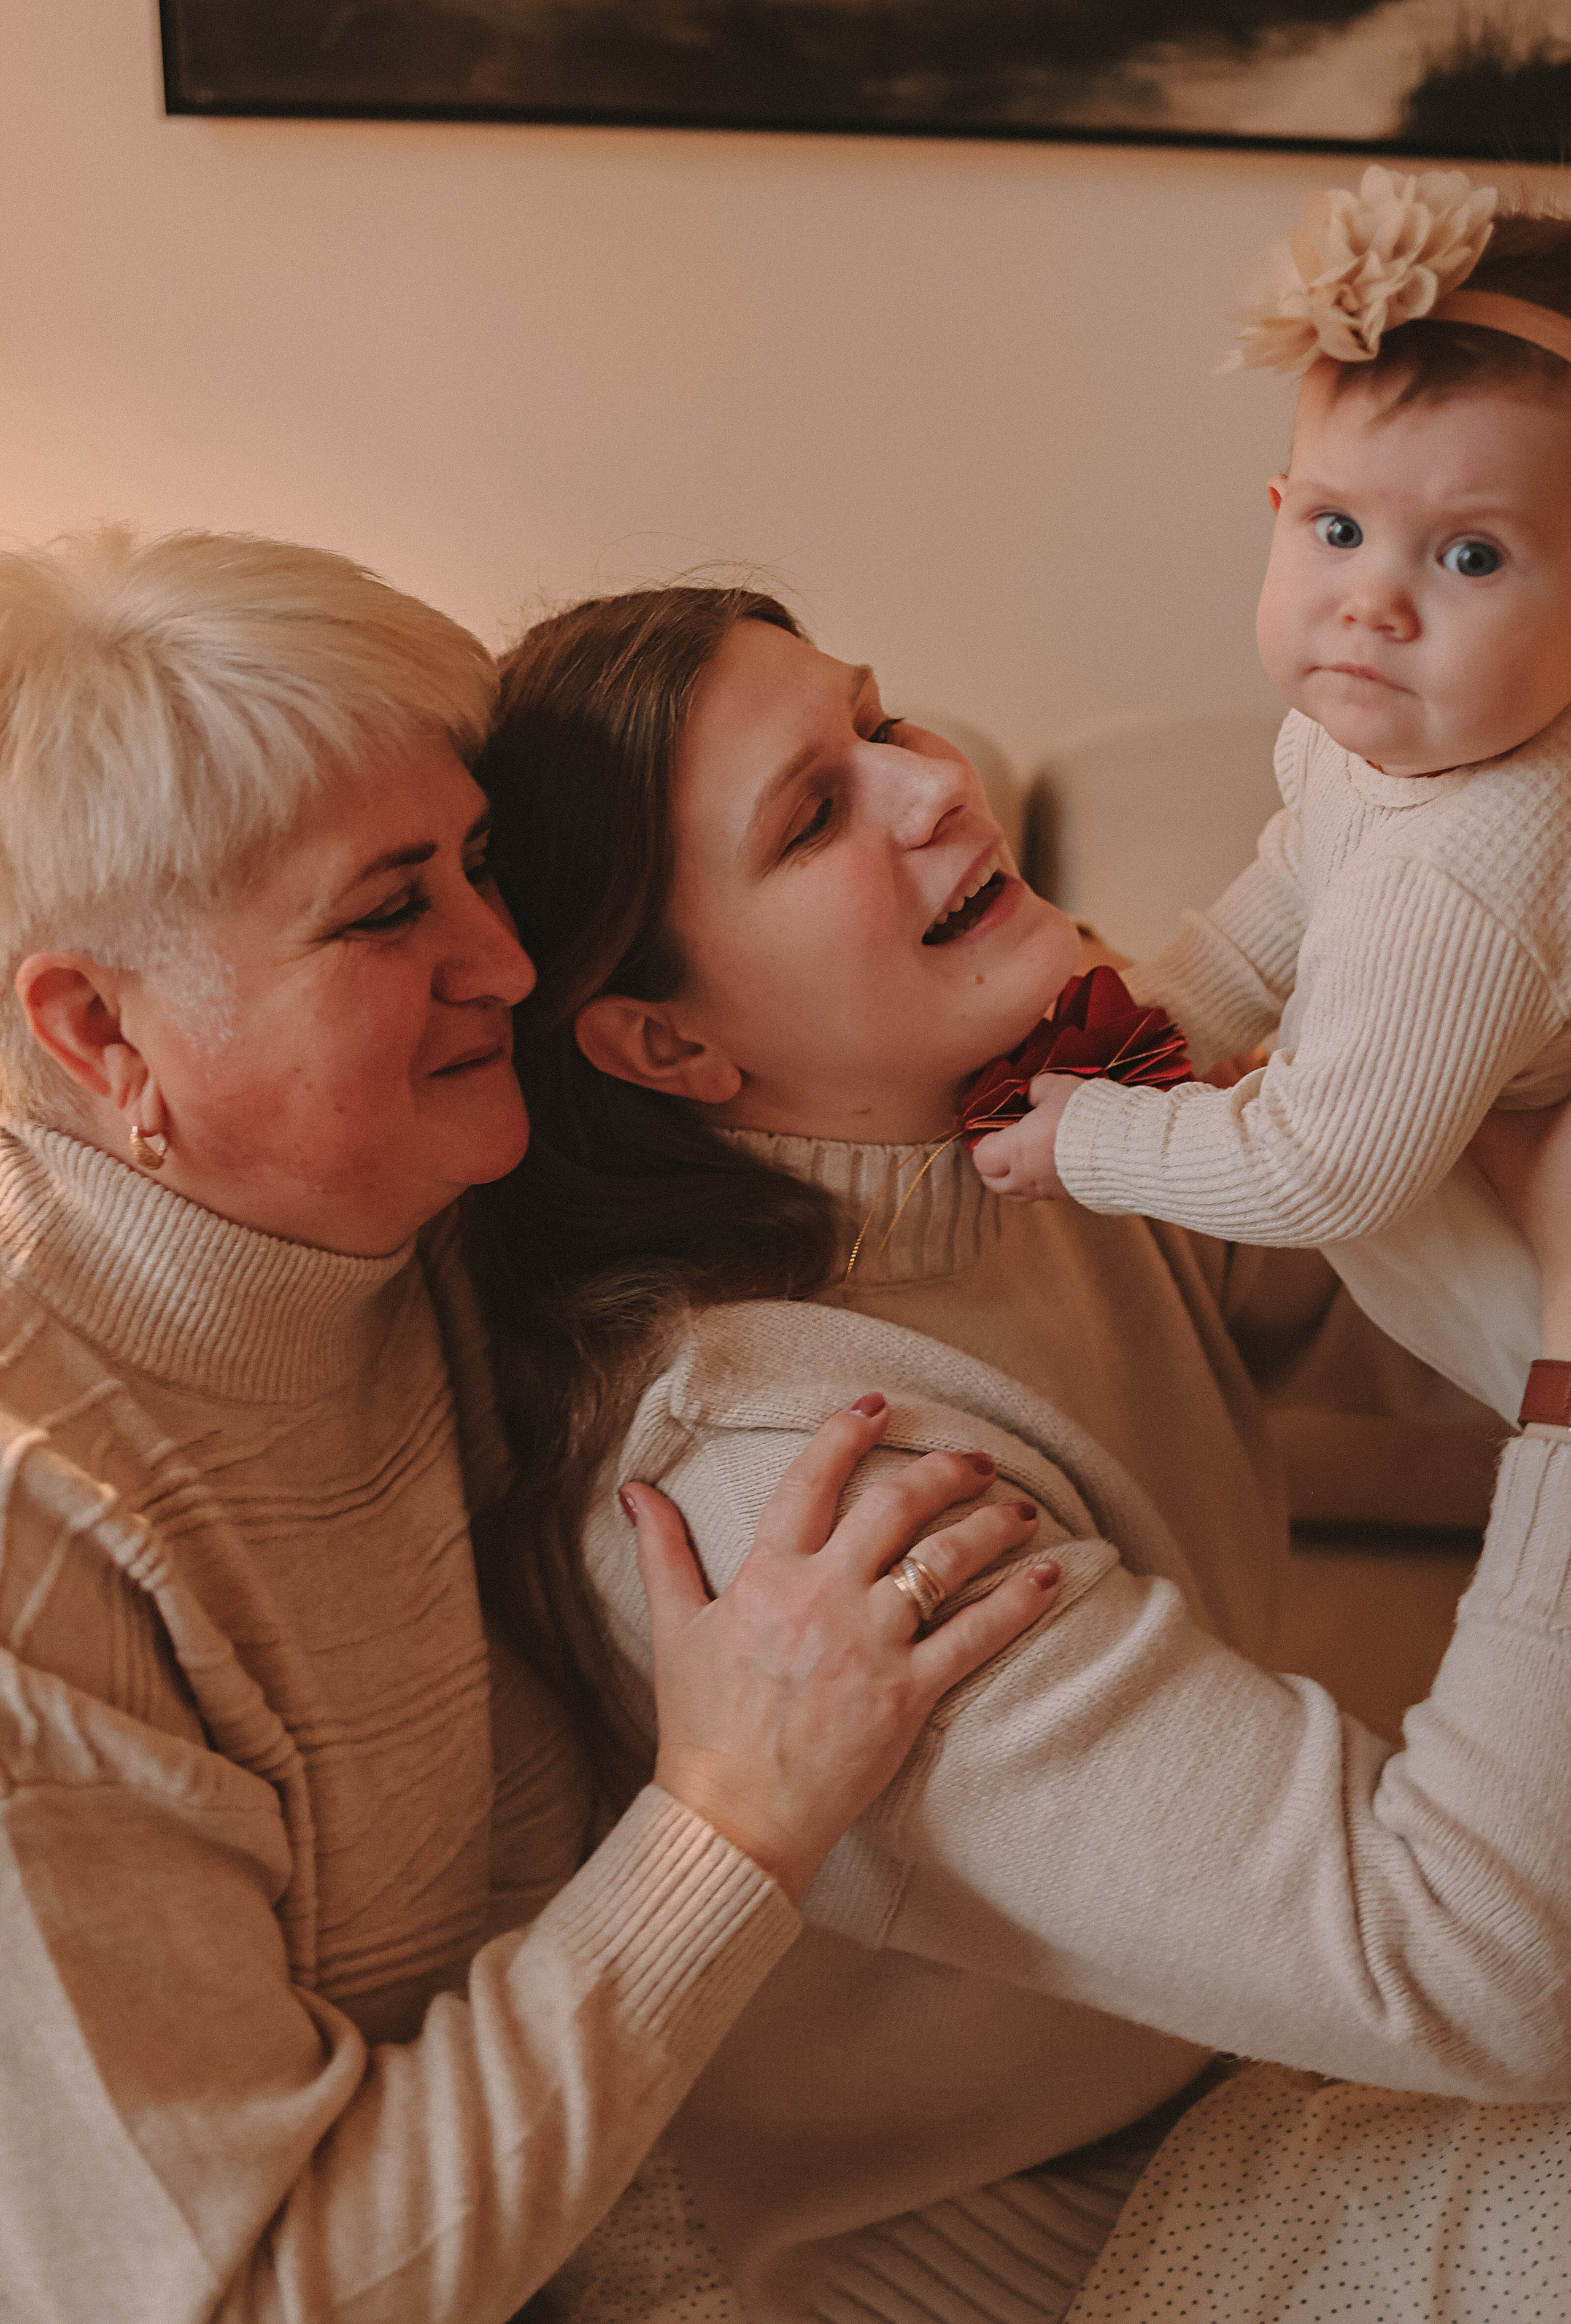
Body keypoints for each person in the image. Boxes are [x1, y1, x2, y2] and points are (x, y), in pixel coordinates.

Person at [0, 525, 1062, 2324]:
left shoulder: (413, 1185)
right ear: (102, 1030)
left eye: (481, 863)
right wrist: (732, 1818)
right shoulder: (45, 1543)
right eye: (391, 907)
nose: (507, 961)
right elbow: (262, 2298)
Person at [476, 582, 1571, 2324]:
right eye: (814, 815)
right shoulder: (795, 1485)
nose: (931, 791)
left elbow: (1405, 1318)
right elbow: (1479, 1969)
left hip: (1237, 2082)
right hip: (1038, 2251)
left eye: (879, 721)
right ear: (670, 1043)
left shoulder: (1028, 1135)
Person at [973, 169, 1571, 1429]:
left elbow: (1322, 1176)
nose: (1371, 604)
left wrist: (1091, 1141)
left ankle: (1525, 1628)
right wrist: (1135, 1034)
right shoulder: (1355, 738)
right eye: (1336, 529)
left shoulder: (1457, 869)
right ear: (1275, 513)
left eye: (1470, 555)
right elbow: (1281, 898)